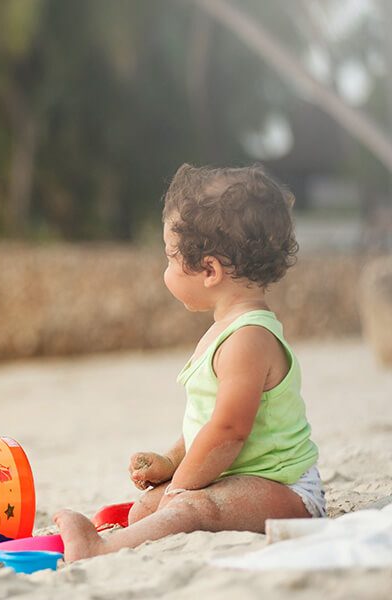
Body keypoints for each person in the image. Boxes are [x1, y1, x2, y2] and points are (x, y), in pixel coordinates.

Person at [54, 163, 326, 562]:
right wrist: (171, 462)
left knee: (190, 507)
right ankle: (137, 525)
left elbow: (229, 430)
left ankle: (98, 549)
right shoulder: (226, 331)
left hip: (287, 491)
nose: (165, 269)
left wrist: (181, 488)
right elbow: (209, 422)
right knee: (147, 508)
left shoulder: (248, 338)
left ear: (209, 270)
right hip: (244, 476)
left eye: (169, 257)